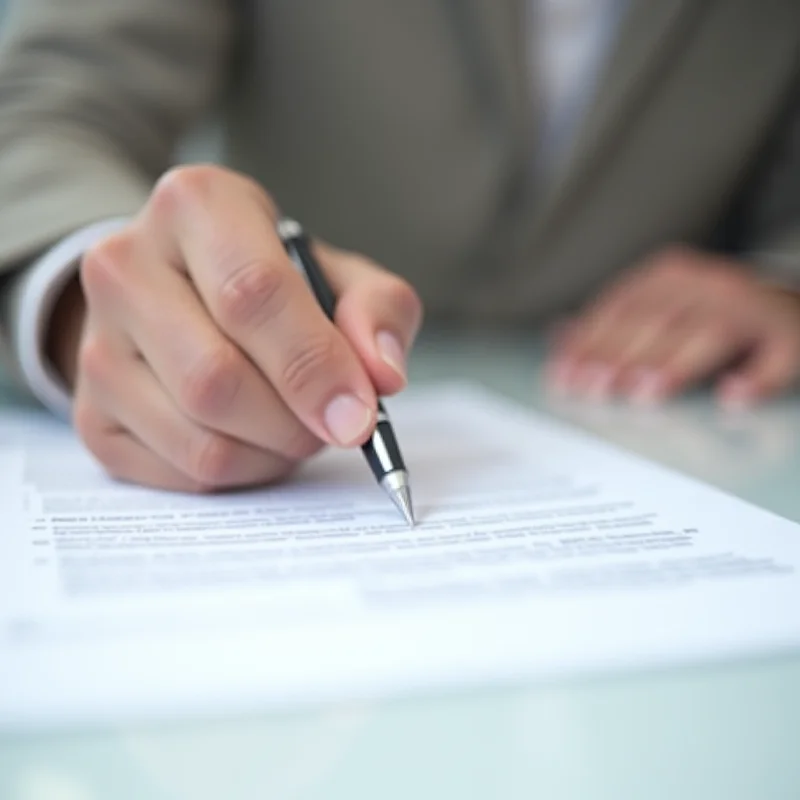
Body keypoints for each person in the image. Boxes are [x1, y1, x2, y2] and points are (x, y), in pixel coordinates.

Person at [0, 0, 799, 493]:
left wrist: (785, 282)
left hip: (683, 424)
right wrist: (86, 284)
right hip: (263, 368)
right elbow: (42, 110)